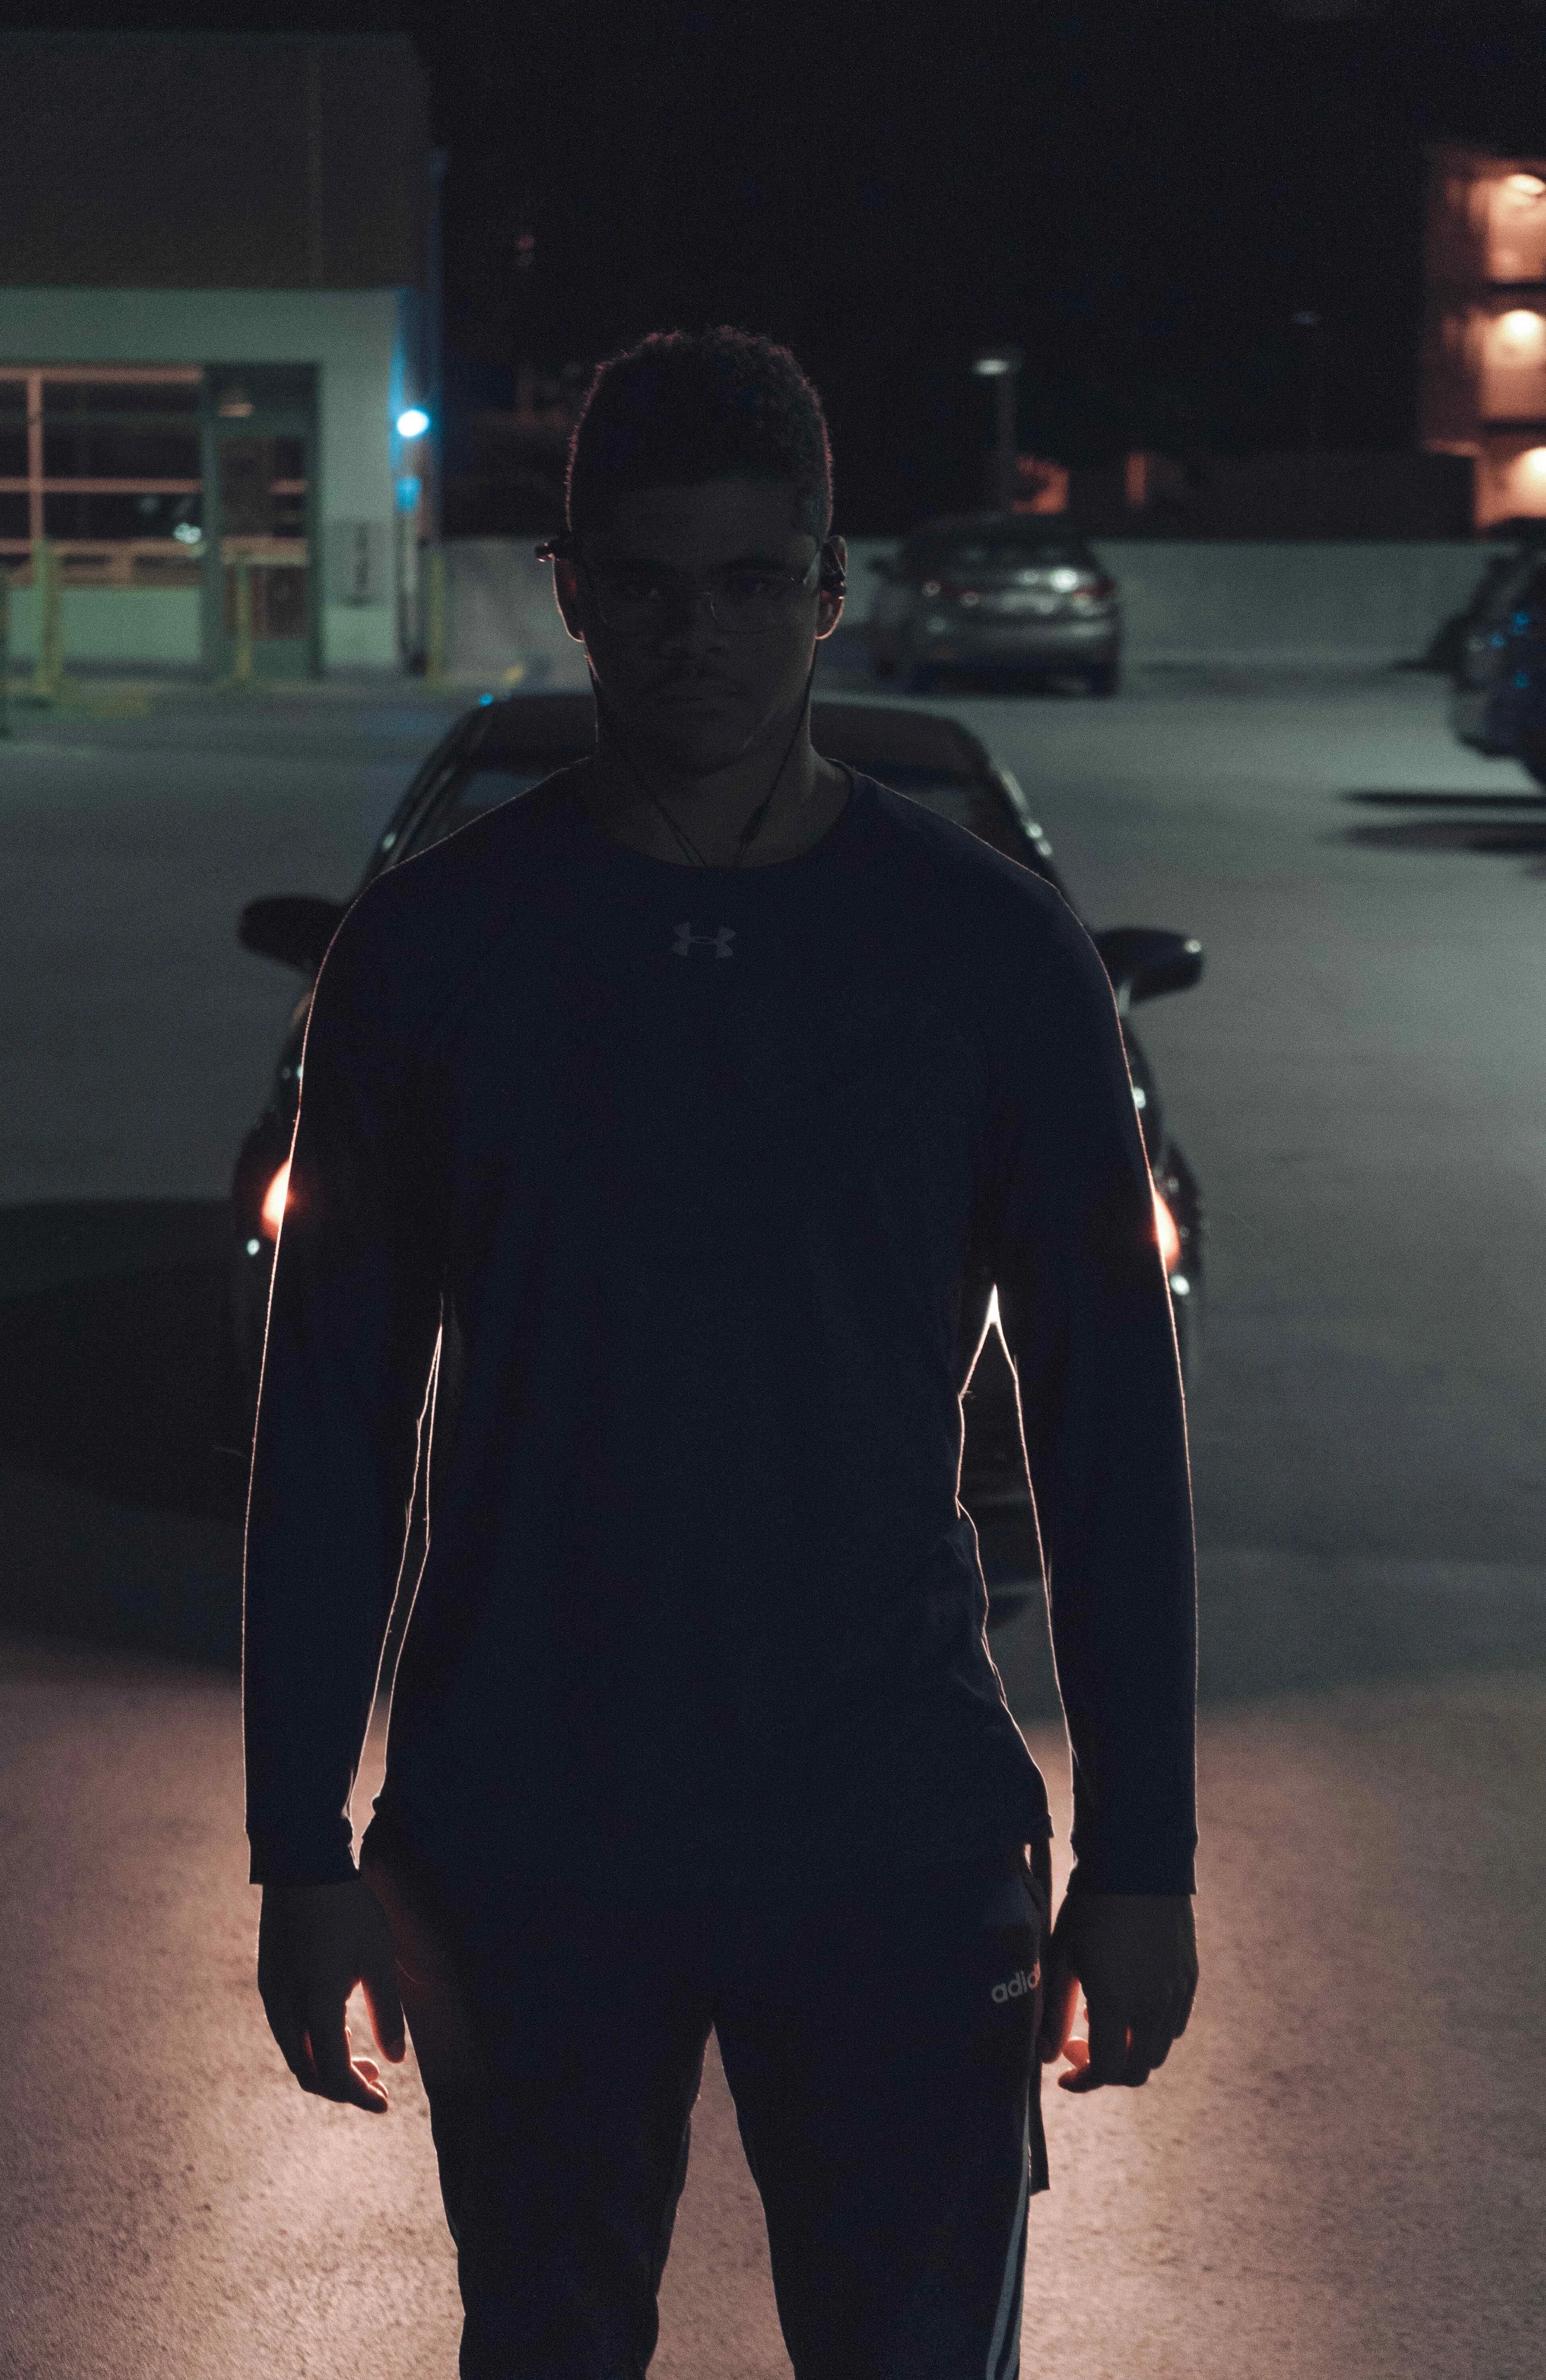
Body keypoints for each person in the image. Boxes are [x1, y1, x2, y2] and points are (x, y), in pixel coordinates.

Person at [245, 326, 1198, 2379]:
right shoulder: (438, 950)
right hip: (531, 1816)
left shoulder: (983, 953)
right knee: (547, 2345)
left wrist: (1144, 1858)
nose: (698, 633)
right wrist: (296, 1848)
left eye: (750, 579)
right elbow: (328, 1429)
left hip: (881, 1811)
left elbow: (1109, 1427)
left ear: (827, 587)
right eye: (648, 582)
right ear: (572, 587)